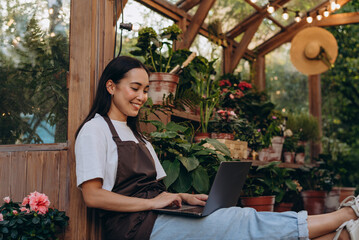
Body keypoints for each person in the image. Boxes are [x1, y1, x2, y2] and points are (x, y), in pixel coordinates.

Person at [75, 56, 359, 240]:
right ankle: (344, 217)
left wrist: (182, 196)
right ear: (111, 87)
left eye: (146, 90)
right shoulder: (95, 129)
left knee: (237, 221)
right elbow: (94, 196)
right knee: (241, 219)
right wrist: (153, 203)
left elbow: (152, 190)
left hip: (153, 216)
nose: (142, 97)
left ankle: (342, 236)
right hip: (133, 228)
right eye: (134, 88)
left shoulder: (138, 136)